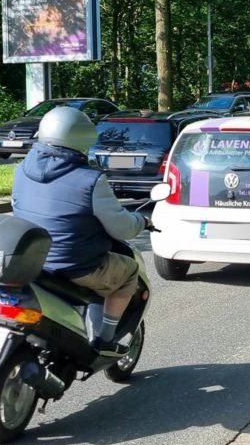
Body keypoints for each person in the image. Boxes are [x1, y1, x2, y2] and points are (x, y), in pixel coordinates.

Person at [11, 106, 150, 356]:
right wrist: (142, 221)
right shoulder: (91, 180)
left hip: (34, 261)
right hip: (75, 266)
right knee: (130, 272)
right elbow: (122, 228)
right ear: (83, 139)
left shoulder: (21, 169)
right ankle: (105, 339)